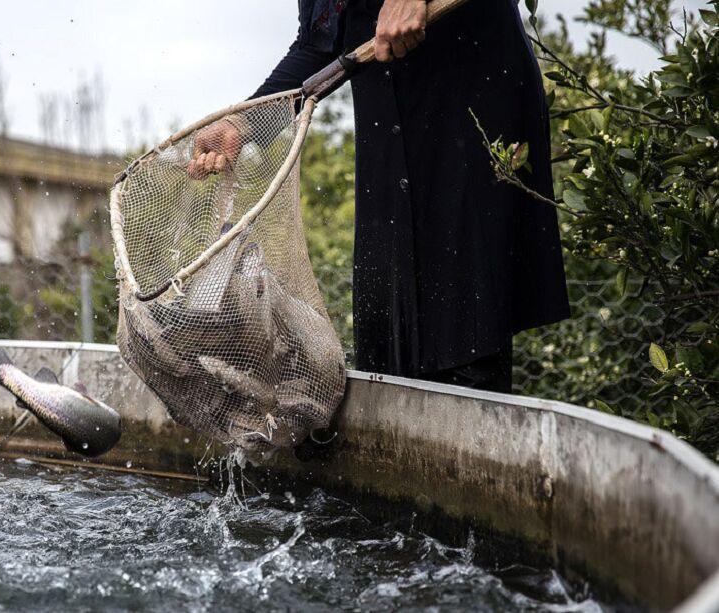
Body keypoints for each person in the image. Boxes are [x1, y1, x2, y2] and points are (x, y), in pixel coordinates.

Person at [188, 0, 570, 394]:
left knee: (464, 323)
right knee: (389, 333)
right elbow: (321, 43)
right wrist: (245, 120)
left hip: (467, 101)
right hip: (388, 122)